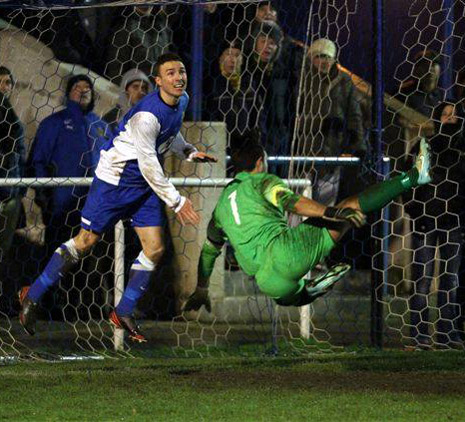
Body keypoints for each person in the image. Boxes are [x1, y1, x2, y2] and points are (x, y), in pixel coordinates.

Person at [19, 53, 217, 343]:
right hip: (115, 180)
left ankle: (123, 310)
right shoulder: (145, 116)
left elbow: (169, 133)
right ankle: (32, 293)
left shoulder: (182, 100)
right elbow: (149, 162)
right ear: (159, 81)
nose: (179, 77)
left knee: (155, 248)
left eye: (182, 71)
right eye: (171, 73)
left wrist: (187, 150)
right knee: (86, 242)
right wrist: (177, 201)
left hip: (142, 184)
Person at [183, 130, 431, 311]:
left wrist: (202, 288)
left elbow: (208, 251)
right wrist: (329, 212)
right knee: (348, 206)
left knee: (283, 294)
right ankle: (413, 176)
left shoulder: (221, 205)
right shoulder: (263, 182)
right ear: (260, 161)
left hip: (266, 281)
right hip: (288, 253)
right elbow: (290, 201)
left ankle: (306, 291)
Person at [405, 102, 465, 349]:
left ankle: (446, 335)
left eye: (454, 116)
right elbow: (408, 181)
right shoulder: (424, 145)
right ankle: (418, 335)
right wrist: (415, 211)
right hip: (426, 223)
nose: (450, 119)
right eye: (445, 115)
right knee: (422, 281)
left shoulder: (462, 147)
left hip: (453, 222)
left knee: (450, 281)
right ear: (436, 117)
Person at [296, 38, 366, 205]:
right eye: (319, 56)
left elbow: (354, 115)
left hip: (333, 150)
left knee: (326, 203)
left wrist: (359, 144)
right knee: (303, 202)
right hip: (305, 151)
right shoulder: (302, 80)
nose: (324, 61)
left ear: (334, 59)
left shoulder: (344, 81)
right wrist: (317, 124)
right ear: (311, 58)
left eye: (328, 57)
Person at [0, 66, 26, 258]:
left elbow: (20, 154)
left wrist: (21, 188)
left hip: (11, 193)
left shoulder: (12, 117)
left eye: (7, 82)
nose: (3, 86)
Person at [102, 68, 152, 135]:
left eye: (144, 88)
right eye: (135, 87)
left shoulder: (150, 116)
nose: (141, 92)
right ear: (126, 91)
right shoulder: (112, 117)